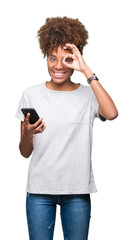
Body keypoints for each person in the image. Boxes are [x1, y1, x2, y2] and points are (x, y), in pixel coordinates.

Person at [15, 17, 118, 240]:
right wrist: (29, 134)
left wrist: (86, 70)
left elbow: (111, 114)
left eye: (66, 59)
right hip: (40, 192)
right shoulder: (31, 94)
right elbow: (24, 152)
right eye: (52, 58)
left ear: (76, 58)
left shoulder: (89, 95)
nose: (58, 66)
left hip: (77, 192)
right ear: (45, 57)